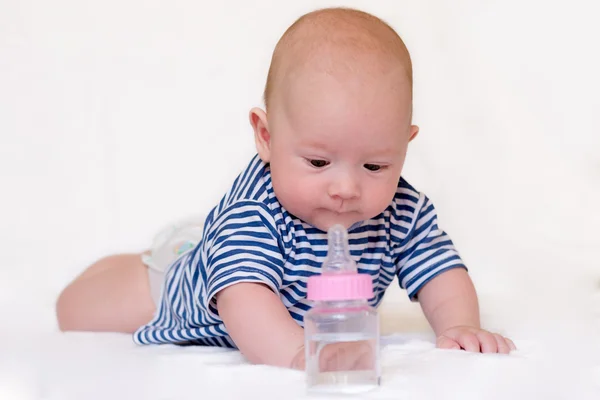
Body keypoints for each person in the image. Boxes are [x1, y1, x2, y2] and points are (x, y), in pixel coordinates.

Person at [56, 7, 516, 370]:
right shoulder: (256, 211)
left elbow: (440, 270)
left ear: (404, 147)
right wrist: (299, 353)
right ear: (267, 137)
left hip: (236, 264)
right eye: (318, 161)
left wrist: (460, 325)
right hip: (180, 293)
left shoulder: (401, 208)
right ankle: (149, 261)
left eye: (375, 164)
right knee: (75, 311)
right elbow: (245, 298)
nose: (345, 187)